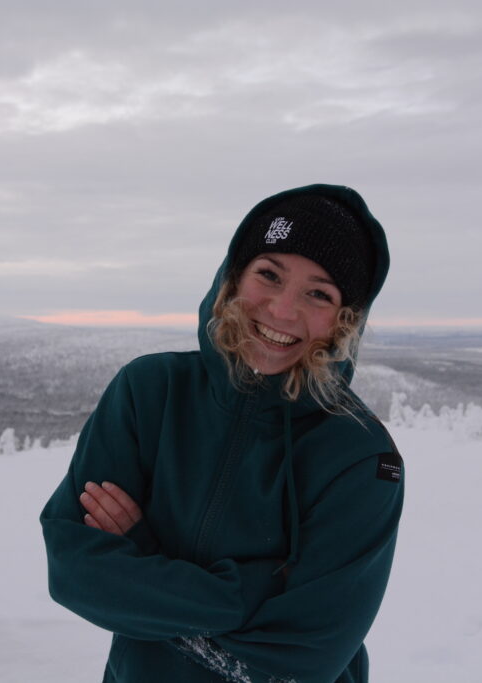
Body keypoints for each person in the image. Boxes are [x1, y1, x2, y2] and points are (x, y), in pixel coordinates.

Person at [40, 184, 404, 682]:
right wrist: (251, 594)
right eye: (269, 274)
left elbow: (304, 655)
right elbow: (74, 569)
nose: (282, 310)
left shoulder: (361, 457)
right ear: (233, 278)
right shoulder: (149, 393)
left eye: (318, 293)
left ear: (345, 321)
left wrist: (144, 561)